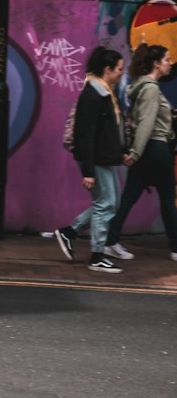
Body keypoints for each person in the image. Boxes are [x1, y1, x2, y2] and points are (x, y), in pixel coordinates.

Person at [54, 46, 130, 273]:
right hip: (94, 160)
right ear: (107, 69)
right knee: (105, 204)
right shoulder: (92, 95)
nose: (121, 74)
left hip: (104, 158)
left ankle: (69, 232)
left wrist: (121, 152)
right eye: (118, 69)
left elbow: (108, 132)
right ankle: (97, 255)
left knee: (109, 204)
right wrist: (87, 171)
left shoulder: (106, 92)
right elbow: (85, 136)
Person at [103, 42, 177, 261]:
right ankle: (175, 246)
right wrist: (135, 154)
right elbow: (145, 124)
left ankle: (109, 240)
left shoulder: (144, 87)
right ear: (156, 64)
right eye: (167, 59)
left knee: (129, 197)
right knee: (167, 197)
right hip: (155, 148)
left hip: (147, 149)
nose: (170, 63)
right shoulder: (151, 89)